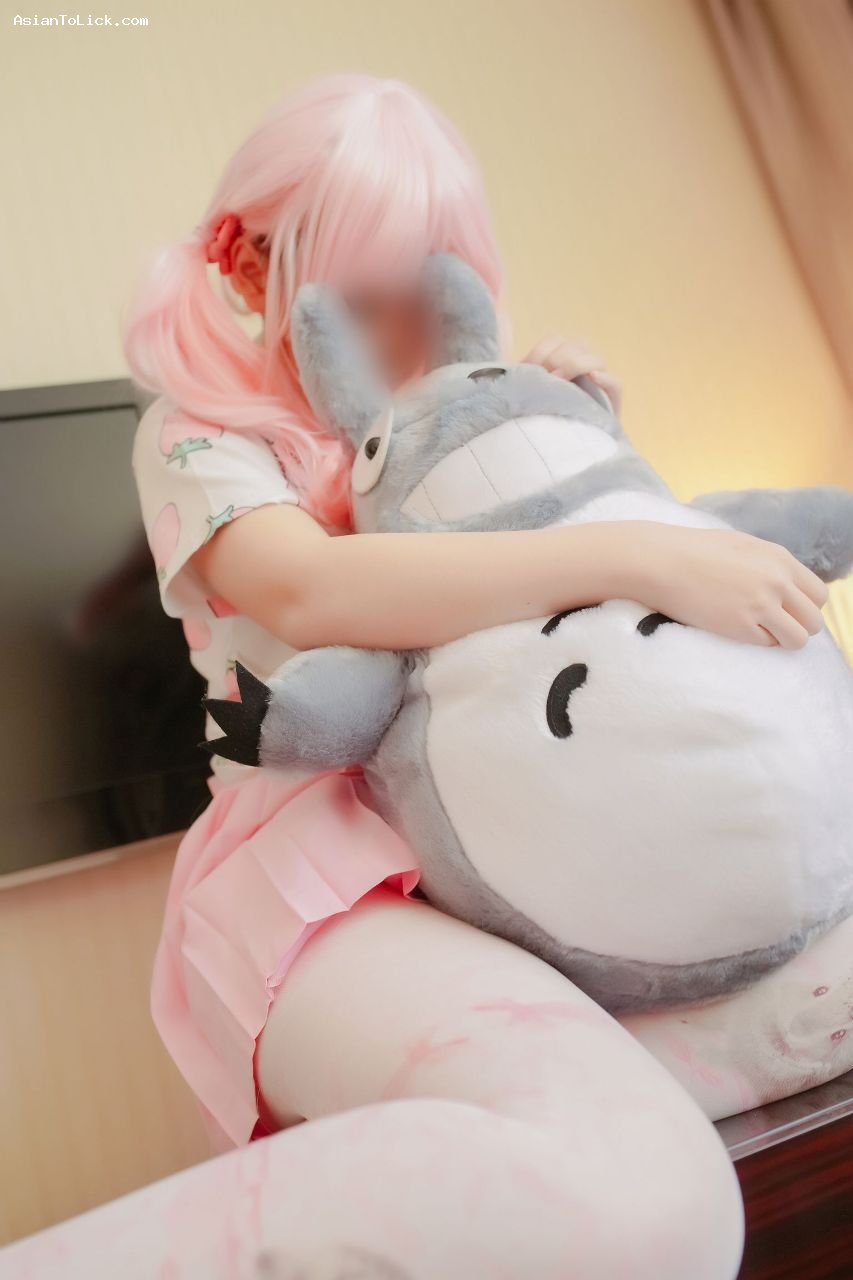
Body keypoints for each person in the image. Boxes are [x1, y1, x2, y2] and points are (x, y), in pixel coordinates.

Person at [122, 73, 829, 1276]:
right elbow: (314, 590)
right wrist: (626, 548)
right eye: (364, 297)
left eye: (427, 288)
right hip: (319, 875)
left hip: (500, 836)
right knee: (641, 1192)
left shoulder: (437, 411)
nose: (402, 334)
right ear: (250, 268)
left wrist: (570, 440)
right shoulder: (199, 438)